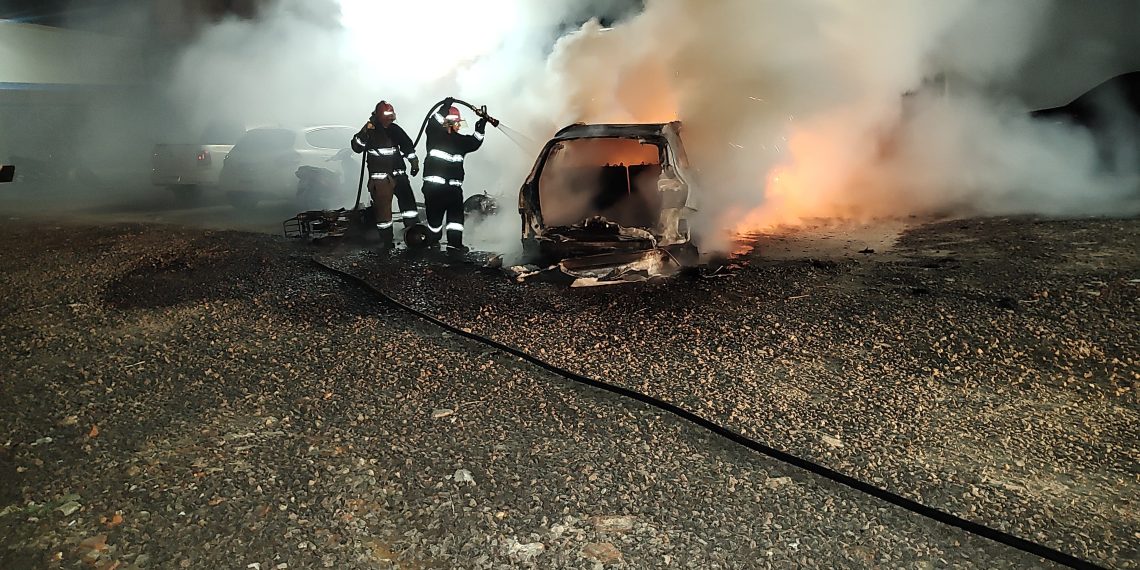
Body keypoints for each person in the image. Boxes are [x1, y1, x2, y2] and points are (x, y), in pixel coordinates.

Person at [421, 97, 487, 254]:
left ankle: (454, 244)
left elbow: (474, 142)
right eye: (455, 121)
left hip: (453, 189)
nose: (458, 125)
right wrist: (445, 107)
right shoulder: (435, 134)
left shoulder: (459, 140)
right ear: (448, 121)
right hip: (435, 188)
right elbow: (433, 121)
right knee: (435, 220)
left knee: (455, 220)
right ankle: (434, 240)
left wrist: (481, 128)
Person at [350, 100, 421, 246]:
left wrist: (413, 162)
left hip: (399, 175)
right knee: (384, 214)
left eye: (392, 115)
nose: (391, 118)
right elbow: (357, 147)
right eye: (387, 115)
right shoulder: (370, 131)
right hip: (381, 180)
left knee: (409, 206)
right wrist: (365, 130)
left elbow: (407, 146)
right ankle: (386, 241)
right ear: (380, 115)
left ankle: (414, 234)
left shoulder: (395, 130)